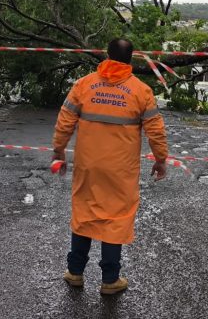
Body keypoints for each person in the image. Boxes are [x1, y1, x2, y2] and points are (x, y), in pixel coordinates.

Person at [52, 38, 169, 295]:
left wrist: (59, 150)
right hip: (120, 170)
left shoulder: (84, 85)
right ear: (130, 60)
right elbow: (155, 130)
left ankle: (75, 273)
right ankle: (110, 280)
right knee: (115, 218)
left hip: (88, 165)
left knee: (84, 213)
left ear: (107, 56)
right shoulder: (140, 91)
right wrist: (160, 159)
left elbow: (65, 120)